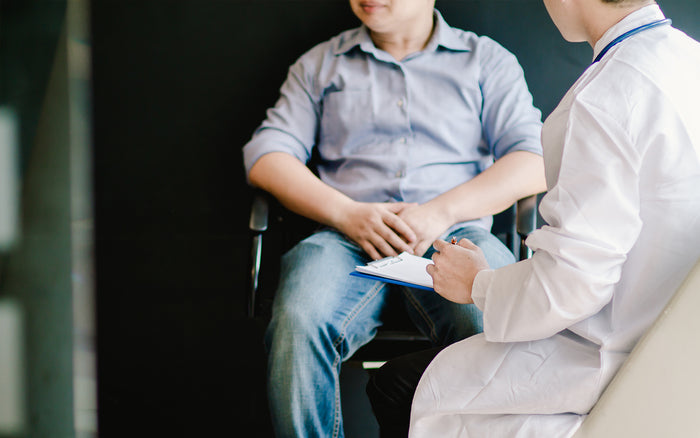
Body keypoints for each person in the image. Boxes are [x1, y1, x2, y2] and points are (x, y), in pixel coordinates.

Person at [365, 0, 700, 436]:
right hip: (676, 350)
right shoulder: (688, 58)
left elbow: (573, 283)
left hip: (612, 357)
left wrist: (478, 283)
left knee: (396, 385)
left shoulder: (604, 98)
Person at [243, 0, 547, 436]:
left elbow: (533, 160)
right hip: (345, 238)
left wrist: (440, 212)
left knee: (493, 319)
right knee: (299, 320)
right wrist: (347, 214)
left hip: (452, 233)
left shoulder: (485, 60)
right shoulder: (321, 64)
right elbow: (267, 156)